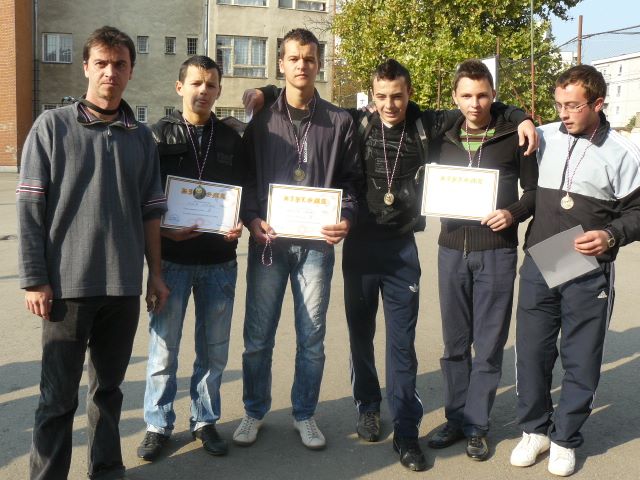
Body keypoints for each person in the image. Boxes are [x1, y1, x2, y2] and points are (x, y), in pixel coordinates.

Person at [243, 58, 537, 471]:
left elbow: (480, 106)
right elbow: (305, 97)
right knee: (361, 337)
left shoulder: (428, 123)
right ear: (372, 95)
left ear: (409, 93)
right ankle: (367, 405)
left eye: (397, 96)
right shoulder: (355, 122)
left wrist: (522, 117)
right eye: (381, 96)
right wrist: (267, 92)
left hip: (402, 250)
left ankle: (405, 430)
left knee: (402, 344)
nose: (389, 104)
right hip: (360, 249)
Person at [17, 26, 168, 480]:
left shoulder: (142, 138)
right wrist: (34, 278)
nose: (110, 72)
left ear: (131, 70)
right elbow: (30, 206)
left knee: (108, 392)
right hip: (67, 288)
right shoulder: (51, 127)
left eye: (119, 64)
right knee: (57, 398)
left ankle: (106, 470)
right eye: (101, 63)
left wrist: (156, 274)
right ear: (86, 67)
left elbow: (151, 212)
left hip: (122, 287)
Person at [232, 28, 361, 451]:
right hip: (268, 242)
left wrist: (346, 217)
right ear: (281, 64)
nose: (302, 65)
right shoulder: (262, 119)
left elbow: (351, 182)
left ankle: (305, 413)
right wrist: (251, 218)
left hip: (317, 246)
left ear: (319, 64)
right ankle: (253, 410)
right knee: (258, 338)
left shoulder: (339, 121)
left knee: (312, 339)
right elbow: (246, 177)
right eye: (294, 58)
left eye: (309, 58)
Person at [510, 64, 640, 477]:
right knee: (532, 352)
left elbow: (638, 212)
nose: (563, 113)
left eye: (572, 106)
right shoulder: (543, 136)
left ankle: (565, 438)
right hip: (542, 257)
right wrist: (521, 116)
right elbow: (498, 114)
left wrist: (612, 235)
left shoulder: (623, 152)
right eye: (558, 105)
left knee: (580, 356)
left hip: (586, 264)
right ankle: (534, 431)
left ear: (598, 104)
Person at [426, 59, 537, 461]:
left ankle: (477, 425)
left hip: (496, 252)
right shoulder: (440, 134)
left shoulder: (514, 135)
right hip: (451, 250)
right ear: (455, 98)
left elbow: (534, 192)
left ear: (493, 95)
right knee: (455, 344)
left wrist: (513, 213)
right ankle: (455, 418)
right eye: (467, 96)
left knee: (488, 345)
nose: (475, 104)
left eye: (483, 95)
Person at [136, 55, 245, 461]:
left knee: (214, 350)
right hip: (172, 262)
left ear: (219, 91)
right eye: (196, 83)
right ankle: (157, 424)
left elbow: (244, 190)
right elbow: (143, 199)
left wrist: (238, 221)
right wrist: (164, 234)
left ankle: (205, 420)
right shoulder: (155, 136)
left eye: (211, 85)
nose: (203, 91)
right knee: (164, 350)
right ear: (179, 87)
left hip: (220, 260)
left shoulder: (232, 137)